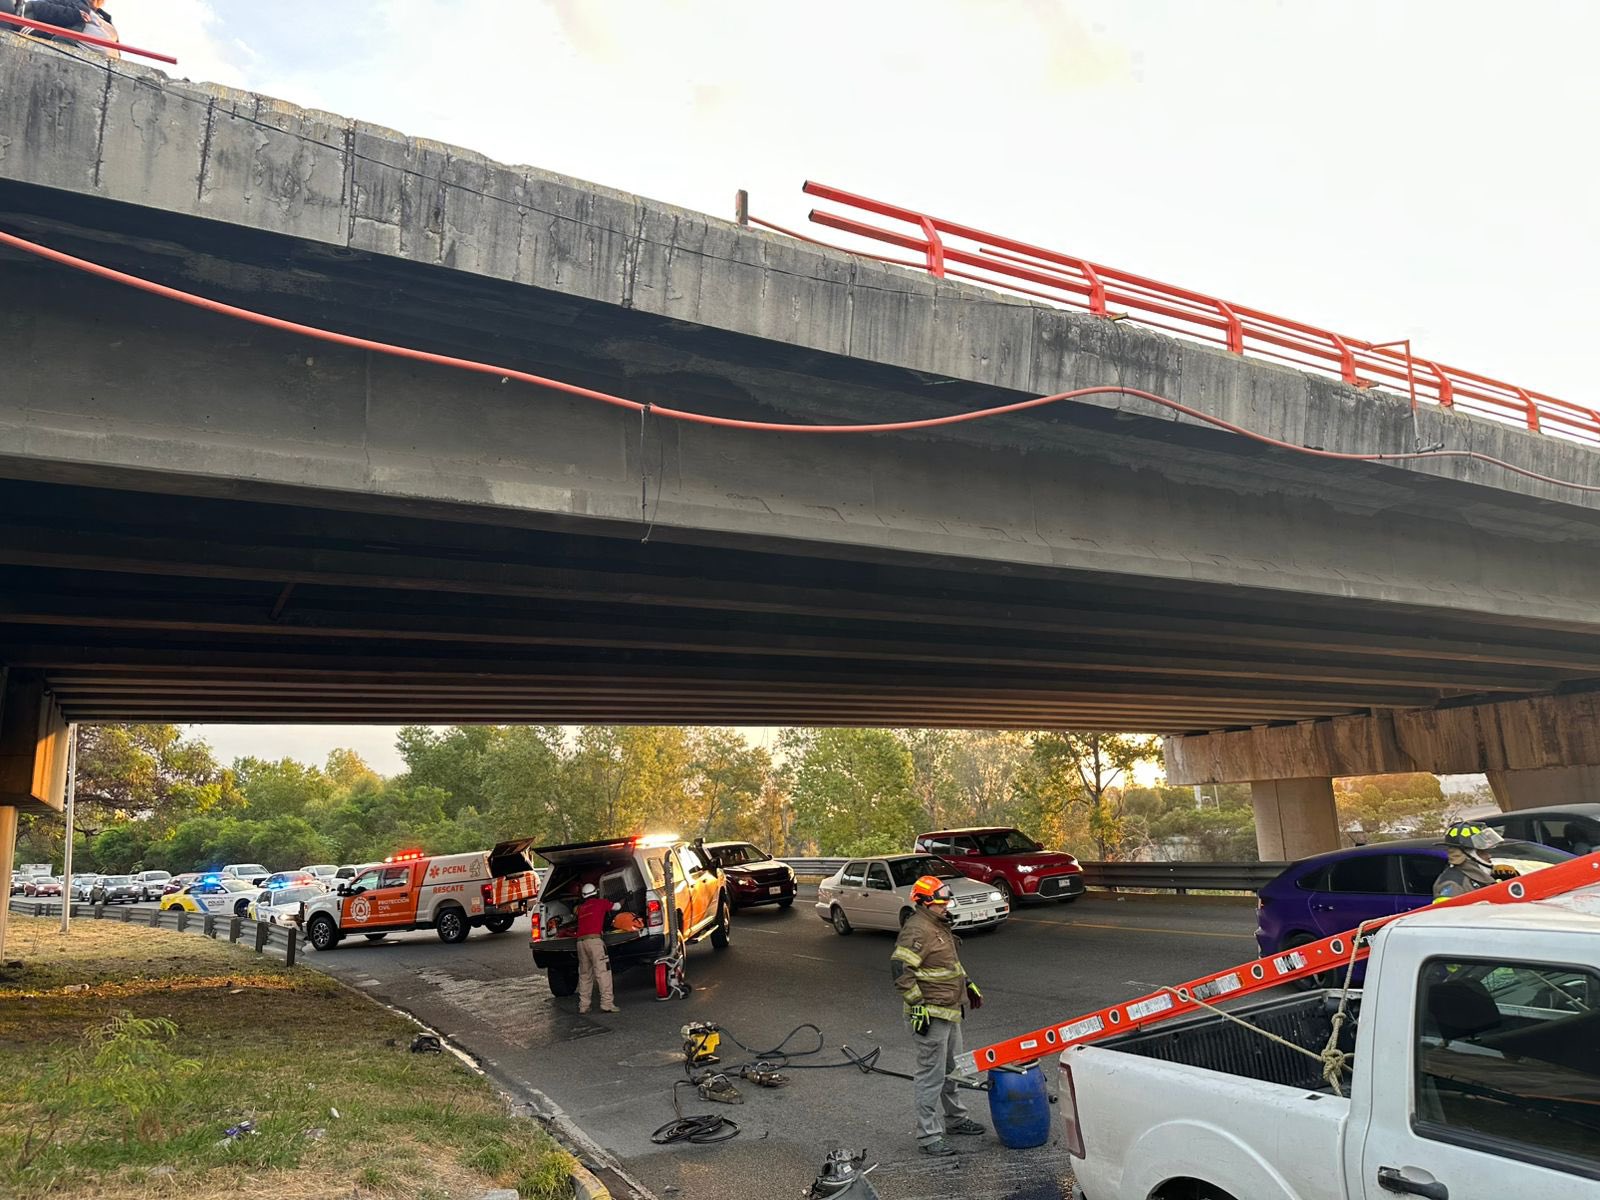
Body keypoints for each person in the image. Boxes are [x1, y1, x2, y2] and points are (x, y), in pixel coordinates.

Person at [890, 875, 987, 1156]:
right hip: (930, 1015)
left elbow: (948, 963)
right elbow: (900, 969)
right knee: (931, 1076)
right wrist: (917, 1004)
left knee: (953, 1070)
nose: (946, 905)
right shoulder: (917, 930)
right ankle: (929, 1136)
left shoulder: (938, 926)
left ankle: (956, 1119)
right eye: (941, 902)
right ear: (924, 903)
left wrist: (967, 983)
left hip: (949, 1010)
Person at [573, 882, 620, 1014]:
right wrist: (623, 899)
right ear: (596, 893)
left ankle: (584, 1006)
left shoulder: (581, 908)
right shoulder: (601, 903)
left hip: (580, 943)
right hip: (594, 942)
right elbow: (616, 907)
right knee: (602, 972)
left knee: (585, 975)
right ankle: (607, 1004)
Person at [1433, 823, 1511, 901]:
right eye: (1482, 852)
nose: (1489, 856)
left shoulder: (1479, 877)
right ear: (1466, 855)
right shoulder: (1453, 884)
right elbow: (1448, 908)